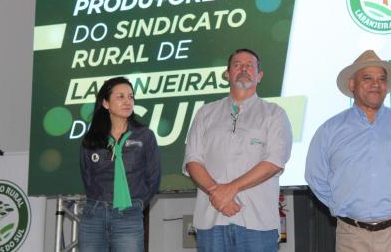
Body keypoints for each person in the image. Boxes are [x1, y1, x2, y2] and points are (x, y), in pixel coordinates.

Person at [183, 48, 293, 252]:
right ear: (227, 74)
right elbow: (192, 160)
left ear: (259, 76)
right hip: (211, 219)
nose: (243, 69)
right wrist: (218, 195)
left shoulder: (275, 114)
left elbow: (275, 162)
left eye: (249, 66)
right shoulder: (205, 113)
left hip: (257, 222)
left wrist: (230, 189)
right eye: (237, 65)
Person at [305, 50, 391, 252]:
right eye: (367, 78)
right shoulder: (330, 130)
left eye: (381, 79)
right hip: (351, 236)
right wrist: (338, 205)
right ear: (352, 84)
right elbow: (314, 176)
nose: (376, 84)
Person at [78, 77, 161, 252]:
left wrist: (135, 205)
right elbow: (87, 176)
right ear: (106, 103)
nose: (127, 101)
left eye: (131, 97)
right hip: (94, 215)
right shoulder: (92, 138)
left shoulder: (145, 136)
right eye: (120, 96)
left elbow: (153, 178)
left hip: (129, 215)